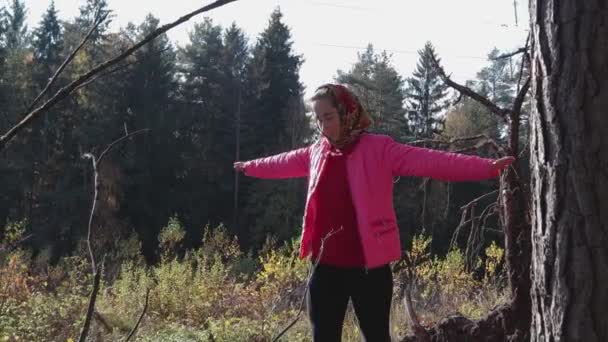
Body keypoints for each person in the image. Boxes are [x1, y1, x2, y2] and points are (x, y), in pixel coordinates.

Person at [233, 83, 513, 342]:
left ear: (348, 112)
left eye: (328, 117)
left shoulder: (379, 149)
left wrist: (485, 167)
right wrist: (249, 166)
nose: (322, 126)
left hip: (369, 269)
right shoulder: (317, 152)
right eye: (317, 118)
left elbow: (432, 161)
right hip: (324, 266)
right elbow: (281, 162)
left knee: (377, 338)